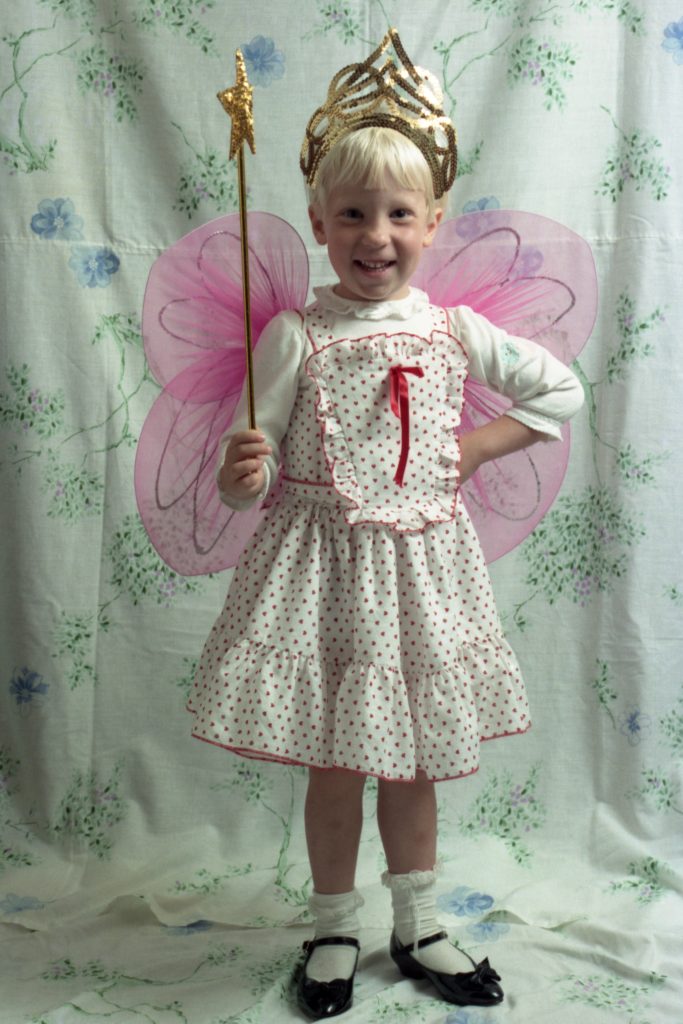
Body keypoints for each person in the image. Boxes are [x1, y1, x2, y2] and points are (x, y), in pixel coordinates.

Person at [188, 30, 585, 1020]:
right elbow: (252, 475)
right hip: (320, 566)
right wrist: (245, 469)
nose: (376, 234)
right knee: (335, 758)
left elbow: (558, 390)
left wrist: (476, 449)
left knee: (409, 758)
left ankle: (417, 920)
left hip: (418, 571)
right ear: (319, 223)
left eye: (398, 214)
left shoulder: (449, 331)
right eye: (352, 213)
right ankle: (332, 919)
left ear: (432, 221)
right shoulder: (295, 334)